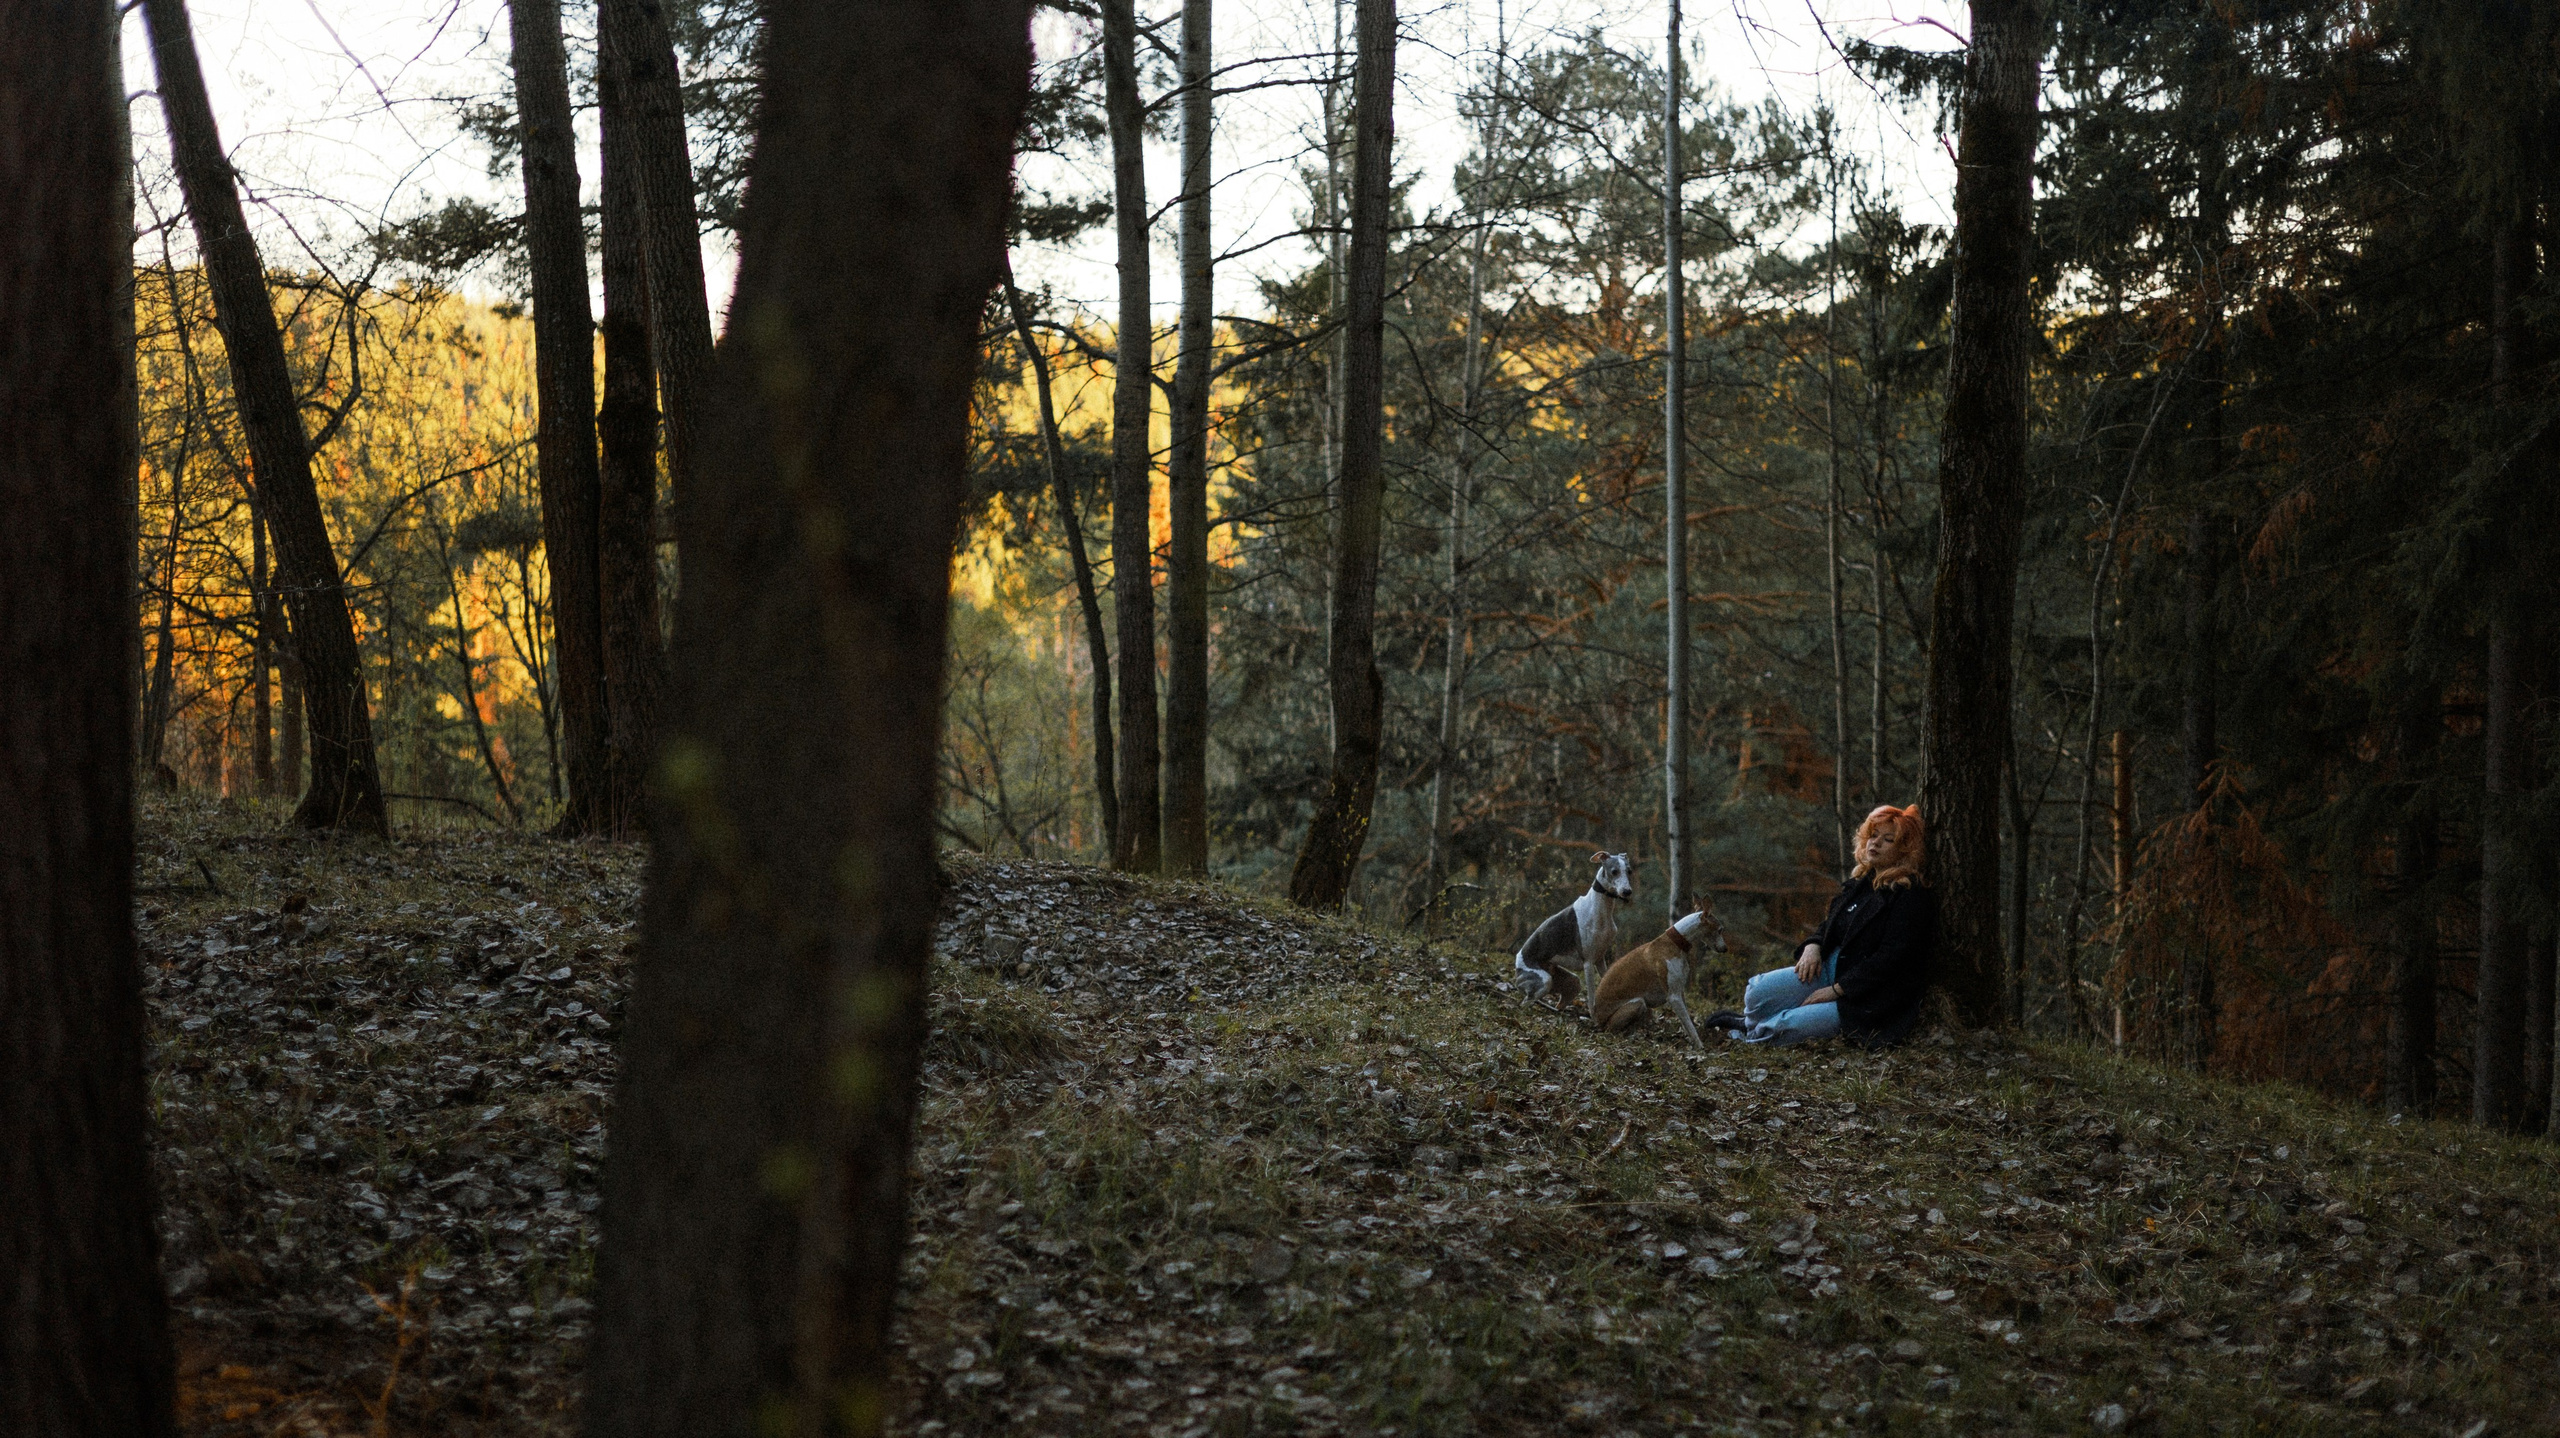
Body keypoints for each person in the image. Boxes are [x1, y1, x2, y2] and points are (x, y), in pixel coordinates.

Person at [1707, 805, 1937, 1048]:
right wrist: (1813, 946)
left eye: (1888, 839)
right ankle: (1750, 1024)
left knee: (1787, 1025)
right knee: (1756, 991)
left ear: (1904, 850)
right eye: (1873, 835)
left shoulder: (1910, 895)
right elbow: (1830, 925)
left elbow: (1890, 959)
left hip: (1868, 998)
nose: (1876, 843)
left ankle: (1749, 1036)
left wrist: (1837, 990)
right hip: (1830, 969)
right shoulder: (1860, 883)